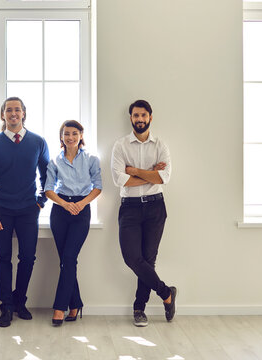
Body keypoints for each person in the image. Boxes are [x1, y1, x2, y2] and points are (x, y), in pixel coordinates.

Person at [0, 96, 50, 327]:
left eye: (17, 110)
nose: (13, 113)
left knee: (28, 258)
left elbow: (48, 176)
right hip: (1, 211)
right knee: (2, 258)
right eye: (9, 110)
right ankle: (6, 306)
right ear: (2, 115)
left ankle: (20, 301)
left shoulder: (38, 142)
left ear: (23, 113)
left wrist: (40, 201)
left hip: (28, 211)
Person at [111, 99, 177, 327]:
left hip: (156, 206)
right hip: (129, 207)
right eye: (135, 115)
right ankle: (166, 293)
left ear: (150, 117)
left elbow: (163, 178)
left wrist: (136, 172)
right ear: (130, 118)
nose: (139, 119)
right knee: (132, 258)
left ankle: (139, 308)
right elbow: (120, 180)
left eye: (143, 115)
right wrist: (149, 174)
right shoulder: (120, 145)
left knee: (148, 260)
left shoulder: (161, 145)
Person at [45, 120, 102, 326]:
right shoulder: (54, 161)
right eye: (66, 133)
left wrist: (80, 203)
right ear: (61, 137)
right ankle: (76, 304)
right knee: (66, 261)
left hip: (82, 210)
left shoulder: (91, 159)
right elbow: (48, 189)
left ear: (81, 135)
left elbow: (98, 186)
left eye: (74, 133)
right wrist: (64, 204)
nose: (70, 137)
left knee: (69, 258)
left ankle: (60, 307)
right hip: (60, 212)